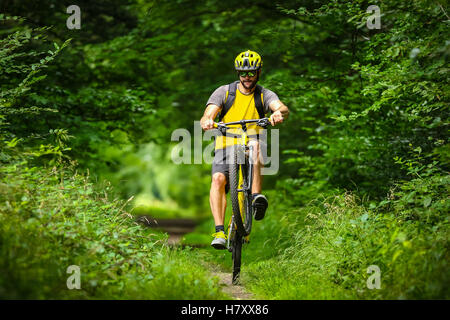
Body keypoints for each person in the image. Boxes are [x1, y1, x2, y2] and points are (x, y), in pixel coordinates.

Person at [200, 50, 289, 249]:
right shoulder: (224, 92)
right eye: (243, 73)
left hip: (252, 144)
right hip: (226, 144)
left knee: (256, 144)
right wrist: (207, 121)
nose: (247, 78)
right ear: (237, 73)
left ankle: (256, 197)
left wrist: (277, 114)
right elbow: (209, 112)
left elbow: (281, 107)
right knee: (218, 180)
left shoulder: (264, 94)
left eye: (251, 73)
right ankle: (219, 231)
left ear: (258, 72)